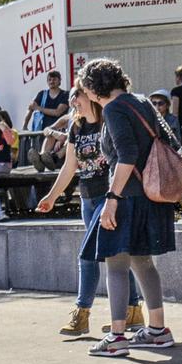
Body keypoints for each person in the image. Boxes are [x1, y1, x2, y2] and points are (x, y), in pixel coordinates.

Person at [77, 57, 177, 356]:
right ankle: (158, 330)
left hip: (127, 197)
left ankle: (117, 337)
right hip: (150, 195)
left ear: (95, 90)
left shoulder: (114, 109)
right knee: (143, 263)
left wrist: (111, 199)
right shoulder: (143, 102)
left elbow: (127, 154)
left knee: (116, 265)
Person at [36, 86, 144, 338]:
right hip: (87, 198)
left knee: (88, 255)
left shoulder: (109, 121)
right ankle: (133, 310)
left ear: (92, 97)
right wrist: (52, 196)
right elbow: (69, 166)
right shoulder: (76, 127)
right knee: (114, 255)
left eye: (78, 95)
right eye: (72, 96)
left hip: (110, 197)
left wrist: (114, 197)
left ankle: (81, 313)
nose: (73, 100)